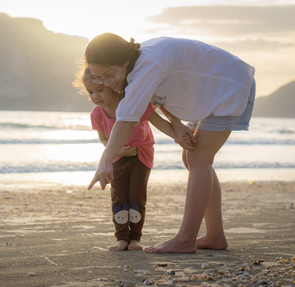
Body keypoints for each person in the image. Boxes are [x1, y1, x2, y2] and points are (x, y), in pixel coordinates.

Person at [85, 33, 256, 253]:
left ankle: (186, 239)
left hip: (230, 86)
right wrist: (176, 125)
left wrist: (105, 160)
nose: (107, 83)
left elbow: (126, 120)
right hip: (208, 93)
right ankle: (215, 236)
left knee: (198, 157)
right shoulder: (137, 62)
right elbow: (156, 94)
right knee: (192, 157)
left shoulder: (148, 63)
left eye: (108, 75)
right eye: (99, 79)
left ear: (124, 61)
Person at [78, 67, 191, 251]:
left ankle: (135, 238)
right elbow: (104, 139)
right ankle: (122, 238)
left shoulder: (133, 103)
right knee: (119, 197)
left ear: (112, 86)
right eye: (90, 92)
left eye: (99, 90)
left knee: (137, 197)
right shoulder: (97, 114)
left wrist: (180, 138)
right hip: (117, 158)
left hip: (142, 155)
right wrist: (118, 150)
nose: (95, 96)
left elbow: (160, 122)